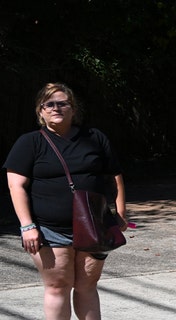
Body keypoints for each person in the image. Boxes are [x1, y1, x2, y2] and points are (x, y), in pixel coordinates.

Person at [3, 83, 128, 320]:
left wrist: (121, 212)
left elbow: (115, 176)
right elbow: (15, 186)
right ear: (40, 111)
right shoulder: (30, 142)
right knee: (58, 286)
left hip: (94, 226)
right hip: (50, 230)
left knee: (87, 286)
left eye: (62, 103)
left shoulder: (94, 137)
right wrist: (27, 226)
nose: (56, 108)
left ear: (73, 108)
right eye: (49, 104)